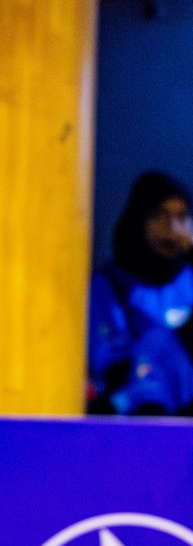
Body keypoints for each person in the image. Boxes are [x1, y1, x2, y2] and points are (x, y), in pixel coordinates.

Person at [88, 171, 193, 415]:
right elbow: (113, 363)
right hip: (136, 415)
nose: (173, 228)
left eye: (182, 217)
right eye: (160, 216)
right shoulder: (110, 283)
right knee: (157, 344)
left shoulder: (188, 276)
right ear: (139, 219)